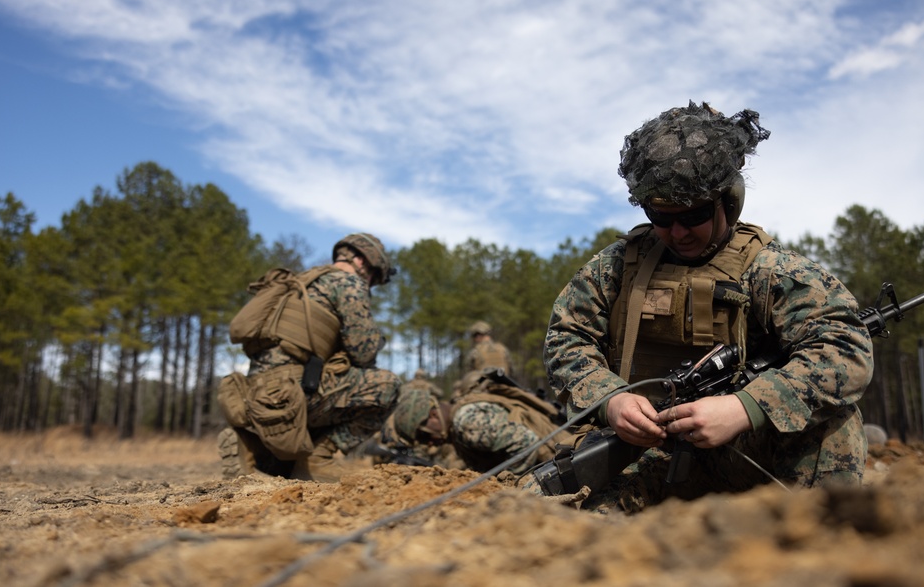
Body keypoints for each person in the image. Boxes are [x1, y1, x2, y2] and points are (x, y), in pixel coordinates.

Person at [542, 101, 873, 512]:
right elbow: (566, 338)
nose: (677, 232)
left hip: (743, 452)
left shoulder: (770, 270)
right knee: (542, 514)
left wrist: (744, 408)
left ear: (727, 201)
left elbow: (844, 346)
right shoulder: (618, 266)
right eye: (661, 216)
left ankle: (816, 543)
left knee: (835, 422)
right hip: (643, 452)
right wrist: (612, 401)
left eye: (694, 214)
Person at [218, 232, 401, 482]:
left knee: (287, 470)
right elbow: (364, 353)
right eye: (372, 277)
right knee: (387, 387)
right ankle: (319, 458)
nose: (369, 283)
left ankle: (250, 446)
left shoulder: (299, 284)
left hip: (256, 395)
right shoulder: (348, 283)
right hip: (295, 393)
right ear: (361, 261)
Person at [392, 368, 572, 475]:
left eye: (423, 436)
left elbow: (525, 442)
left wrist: (506, 486)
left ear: (432, 415)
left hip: (567, 464)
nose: (429, 444)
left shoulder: (466, 422)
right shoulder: (460, 422)